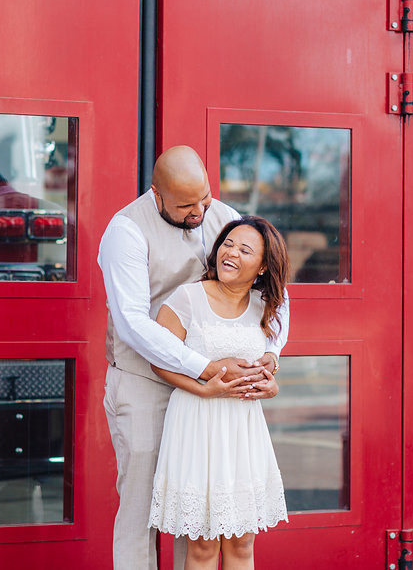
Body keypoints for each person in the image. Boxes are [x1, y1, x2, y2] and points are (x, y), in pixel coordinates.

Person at [98, 146, 288, 570]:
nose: (200, 212)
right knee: (140, 509)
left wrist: (270, 358)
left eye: (204, 198)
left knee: (200, 515)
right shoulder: (125, 231)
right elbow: (131, 321)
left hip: (214, 398)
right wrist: (203, 369)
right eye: (186, 206)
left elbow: (276, 295)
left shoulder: (224, 216)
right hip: (144, 381)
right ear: (156, 194)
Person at [147, 216, 289, 570]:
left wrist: (272, 377)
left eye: (245, 250)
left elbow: (270, 357)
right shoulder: (188, 297)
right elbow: (158, 361)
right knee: (203, 547)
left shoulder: (265, 306)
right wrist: (203, 389)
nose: (231, 253)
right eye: (228, 244)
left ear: (263, 266)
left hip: (243, 430)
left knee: (242, 543)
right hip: (197, 424)